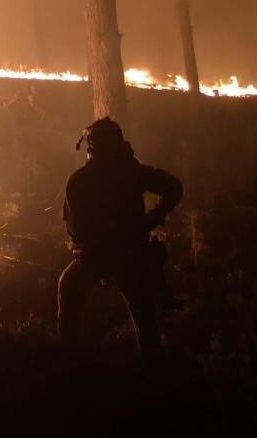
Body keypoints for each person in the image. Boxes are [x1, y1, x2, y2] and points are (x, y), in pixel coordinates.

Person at [57, 117, 183, 355]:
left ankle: (66, 353)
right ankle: (150, 364)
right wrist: (152, 219)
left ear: (91, 146)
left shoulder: (81, 179)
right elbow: (173, 187)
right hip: (130, 251)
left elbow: (75, 226)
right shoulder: (133, 172)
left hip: (99, 254)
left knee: (68, 287)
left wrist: (84, 249)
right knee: (143, 313)